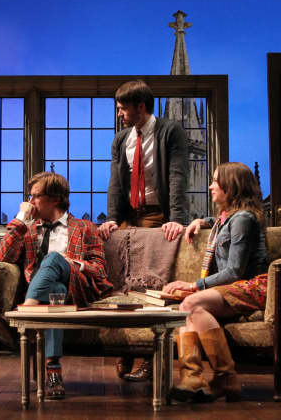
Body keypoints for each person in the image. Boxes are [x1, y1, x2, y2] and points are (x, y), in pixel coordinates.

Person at [97, 79, 188, 381]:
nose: (119, 114)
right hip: (129, 216)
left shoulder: (169, 131)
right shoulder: (121, 139)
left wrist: (176, 217)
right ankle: (126, 348)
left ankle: (150, 355)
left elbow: (177, 176)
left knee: (149, 288)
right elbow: (115, 181)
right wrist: (112, 217)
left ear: (141, 106)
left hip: (155, 214)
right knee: (121, 283)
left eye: (123, 109)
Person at [0, 172, 112, 399]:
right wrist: (21, 219)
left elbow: (99, 270)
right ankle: (53, 370)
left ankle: (22, 313)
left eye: (36, 197)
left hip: (75, 288)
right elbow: (3, 256)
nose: (30, 203)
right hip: (52, 295)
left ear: (55, 199)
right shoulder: (27, 230)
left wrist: (73, 263)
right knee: (55, 293)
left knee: (53, 259)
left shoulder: (85, 227)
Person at [163, 162, 268, 403]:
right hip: (232, 288)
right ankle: (195, 379)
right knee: (187, 308)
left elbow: (234, 272)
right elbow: (220, 222)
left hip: (251, 286)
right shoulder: (226, 219)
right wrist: (202, 221)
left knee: (190, 302)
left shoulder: (243, 219)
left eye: (215, 181)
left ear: (231, 187)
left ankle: (223, 377)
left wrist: (194, 285)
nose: (211, 186)